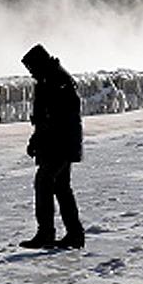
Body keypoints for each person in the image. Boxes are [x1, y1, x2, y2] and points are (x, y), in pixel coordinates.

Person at [19, 43, 85, 250]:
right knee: (61, 187)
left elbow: (54, 120)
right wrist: (35, 141)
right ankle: (74, 234)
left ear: (39, 64)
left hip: (59, 144)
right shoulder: (52, 79)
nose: (31, 73)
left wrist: (38, 140)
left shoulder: (56, 81)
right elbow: (46, 120)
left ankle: (47, 233)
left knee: (44, 182)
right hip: (59, 143)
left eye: (31, 68)